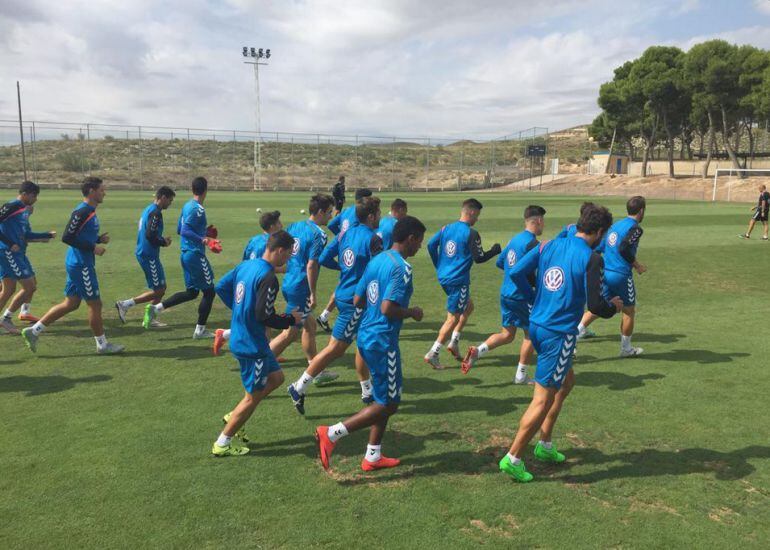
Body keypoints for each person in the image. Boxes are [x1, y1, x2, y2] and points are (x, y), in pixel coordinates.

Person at [498, 204, 622, 483]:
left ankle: (545, 445)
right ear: (600, 232)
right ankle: (514, 457)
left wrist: (537, 295)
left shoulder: (549, 245)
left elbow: (516, 271)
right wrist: (613, 306)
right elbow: (596, 305)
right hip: (559, 334)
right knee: (542, 399)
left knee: (566, 383)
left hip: (538, 326)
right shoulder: (592, 259)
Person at [315, 216, 426, 471]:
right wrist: (413, 312)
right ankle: (331, 433)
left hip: (365, 335)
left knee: (382, 397)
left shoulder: (377, 260)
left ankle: (373, 455)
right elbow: (388, 308)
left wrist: (376, 306)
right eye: (419, 241)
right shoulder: (402, 268)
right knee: (389, 403)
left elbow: (357, 300)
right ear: (410, 238)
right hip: (382, 339)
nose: (419, 246)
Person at [286, 196, 383, 413]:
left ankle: (367, 390)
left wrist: (345, 270)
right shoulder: (373, 239)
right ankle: (298, 387)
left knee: (364, 342)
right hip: (356, 301)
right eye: (379, 213)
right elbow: (379, 270)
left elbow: (324, 258)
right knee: (335, 349)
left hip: (344, 294)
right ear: (370, 216)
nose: (381, 217)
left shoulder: (344, 233)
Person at [210, 230, 302, 457]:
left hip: (250, 340)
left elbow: (221, 286)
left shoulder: (246, 266)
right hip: (252, 345)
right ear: (279, 250)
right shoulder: (269, 277)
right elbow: (264, 316)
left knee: (277, 378)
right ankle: (223, 442)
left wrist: (241, 310)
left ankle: (235, 416)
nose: (288, 259)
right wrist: (291, 319)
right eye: (288, 254)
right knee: (252, 397)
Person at [21, 177, 124, 354]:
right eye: (101, 190)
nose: (104, 193)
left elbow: (79, 235)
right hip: (81, 265)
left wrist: (98, 239)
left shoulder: (89, 211)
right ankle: (102, 345)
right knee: (95, 304)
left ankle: (34, 331)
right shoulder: (82, 211)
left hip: (78, 263)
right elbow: (67, 237)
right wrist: (93, 247)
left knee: (71, 303)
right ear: (92, 191)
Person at [461, 205, 546, 384]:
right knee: (531, 334)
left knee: (507, 334)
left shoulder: (514, 240)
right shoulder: (533, 244)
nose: (543, 225)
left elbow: (500, 262)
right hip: (522, 295)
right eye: (542, 221)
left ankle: (477, 351)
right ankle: (521, 375)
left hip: (506, 293)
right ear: (538, 221)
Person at [424, 198, 501, 369]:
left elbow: (430, 245)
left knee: (468, 307)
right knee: (453, 318)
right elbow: (479, 258)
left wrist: (439, 265)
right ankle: (433, 353)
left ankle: (454, 342)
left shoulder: (446, 228)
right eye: (477, 215)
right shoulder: (471, 233)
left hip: (444, 277)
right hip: (459, 280)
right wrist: (495, 251)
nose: (477, 219)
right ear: (472, 212)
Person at [143, 176, 220, 338]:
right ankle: (200, 330)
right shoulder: (198, 209)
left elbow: (180, 229)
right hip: (195, 255)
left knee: (192, 292)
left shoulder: (187, 206)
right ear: (206, 190)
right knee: (209, 292)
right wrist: (204, 239)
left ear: (193, 189)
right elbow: (185, 231)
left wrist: (204, 231)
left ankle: (156, 308)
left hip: (186, 255)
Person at [267, 194, 334, 368]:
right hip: (301, 286)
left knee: (310, 325)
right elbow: (312, 265)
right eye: (329, 213)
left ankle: (314, 367)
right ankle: (262, 362)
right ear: (320, 212)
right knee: (290, 333)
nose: (331, 216)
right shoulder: (319, 235)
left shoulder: (294, 226)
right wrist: (312, 293)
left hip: (289, 282)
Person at [577, 196, 647, 356]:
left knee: (599, 306)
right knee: (629, 311)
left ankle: (576, 332)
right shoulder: (636, 229)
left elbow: (599, 247)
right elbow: (624, 248)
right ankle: (626, 349)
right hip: (621, 274)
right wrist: (637, 265)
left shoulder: (615, 226)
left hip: (606, 272)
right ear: (641, 211)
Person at [212, 210, 285, 355]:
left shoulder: (254, 240)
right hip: (251, 285)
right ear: (272, 226)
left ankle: (267, 352)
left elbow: (245, 261)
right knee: (262, 317)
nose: (281, 225)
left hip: (243, 281)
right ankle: (266, 354)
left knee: (260, 318)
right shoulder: (267, 245)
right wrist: (286, 269)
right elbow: (261, 268)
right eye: (278, 223)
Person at [0, 181, 55, 334]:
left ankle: (10, 317)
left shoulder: (24, 210)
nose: (35, 199)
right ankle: (6, 318)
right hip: (8, 252)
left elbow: (25, 234)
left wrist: (46, 235)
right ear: (24, 194)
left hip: (18, 254)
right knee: (28, 286)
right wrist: (10, 243)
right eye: (33, 195)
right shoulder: (12, 206)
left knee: (9, 289)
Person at [114, 186, 176, 324]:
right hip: (148, 254)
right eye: (170, 201)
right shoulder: (156, 213)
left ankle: (150, 318)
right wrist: (163, 242)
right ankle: (125, 304)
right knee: (159, 290)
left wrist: (161, 240)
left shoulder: (149, 209)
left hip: (147, 253)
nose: (170, 204)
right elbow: (150, 234)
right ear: (163, 198)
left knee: (161, 288)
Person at [317, 188, 374, 333]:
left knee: (343, 285)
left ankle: (324, 315)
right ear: (364, 200)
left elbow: (331, 225)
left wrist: (342, 240)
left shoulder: (348, 210)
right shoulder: (359, 215)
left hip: (346, 253)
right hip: (356, 253)